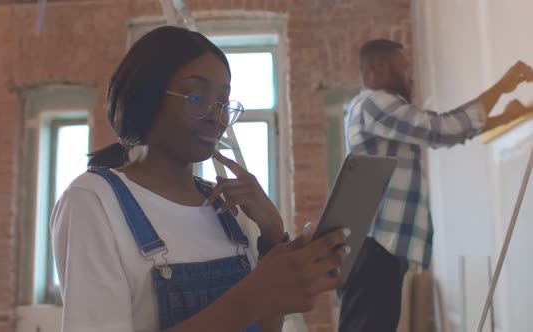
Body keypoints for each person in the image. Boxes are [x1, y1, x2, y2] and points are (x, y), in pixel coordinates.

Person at [50, 25, 350, 332]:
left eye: (223, 101)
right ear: (148, 96)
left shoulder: (230, 208)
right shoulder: (93, 201)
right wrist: (252, 297)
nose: (216, 116)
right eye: (196, 97)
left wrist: (272, 236)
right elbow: (251, 304)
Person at [340, 38, 533, 332]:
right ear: (378, 67)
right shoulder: (373, 102)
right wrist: (504, 86)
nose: (410, 76)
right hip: (375, 249)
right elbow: (440, 130)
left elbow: (449, 133)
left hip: (379, 249)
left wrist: (505, 116)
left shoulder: (371, 111)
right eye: (403, 67)